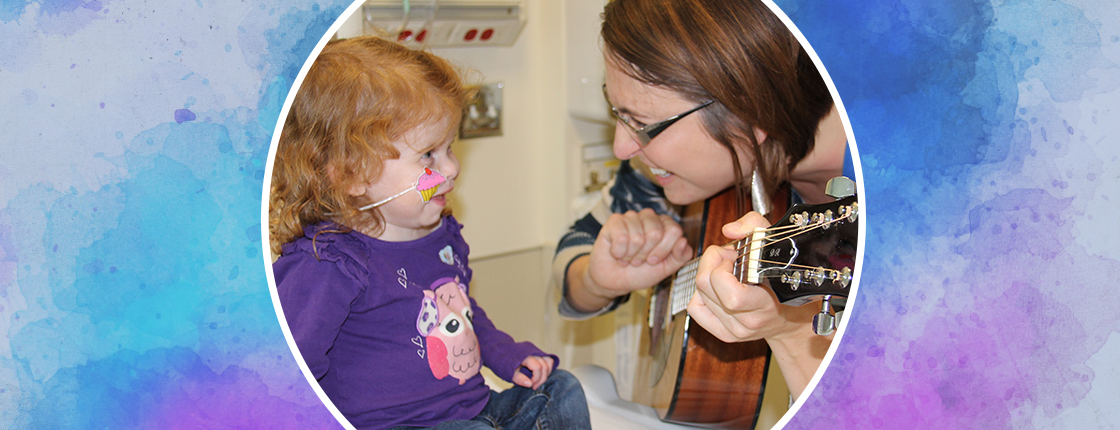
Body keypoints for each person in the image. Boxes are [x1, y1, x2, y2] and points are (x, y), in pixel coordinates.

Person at [269, 36, 590, 430]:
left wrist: (505, 354)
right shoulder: (328, 262)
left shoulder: (442, 235)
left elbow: (464, 315)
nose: (451, 169)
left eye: (449, 149)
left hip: (475, 412)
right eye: (428, 156)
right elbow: (285, 371)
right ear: (352, 173)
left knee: (561, 389)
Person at [552, 0, 854, 402]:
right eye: (618, 113)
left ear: (749, 115)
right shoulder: (668, 174)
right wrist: (596, 280)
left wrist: (793, 330)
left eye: (642, 124)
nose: (622, 146)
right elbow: (575, 249)